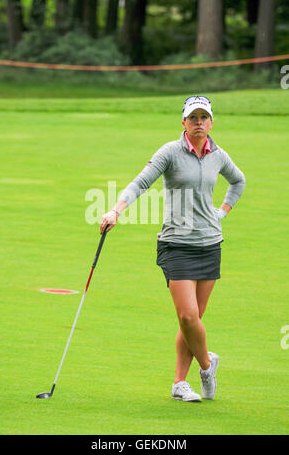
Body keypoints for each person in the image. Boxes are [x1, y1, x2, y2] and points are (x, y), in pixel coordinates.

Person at [100, 96, 245, 402]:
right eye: (193, 118)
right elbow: (139, 183)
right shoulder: (169, 152)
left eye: (204, 118)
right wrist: (116, 210)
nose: (199, 123)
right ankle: (207, 366)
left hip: (210, 244)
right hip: (176, 244)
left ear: (211, 122)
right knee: (189, 318)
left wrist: (223, 212)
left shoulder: (218, 155)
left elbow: (238, 181)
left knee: (191, 322)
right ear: (183, 122)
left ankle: (180, 383)